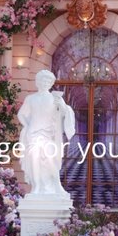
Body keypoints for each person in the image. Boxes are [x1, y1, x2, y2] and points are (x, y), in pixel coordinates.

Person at [18, 69, 77, 197]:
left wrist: (62, 106)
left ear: (51, 84)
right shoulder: (31, 99)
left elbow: (65, 113)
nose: (45, 83)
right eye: (43, 80)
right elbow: (21, 114)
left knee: (51, 161)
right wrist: (27, 126)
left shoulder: (55, 98)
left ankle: (57, 185)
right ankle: (37, 187)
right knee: (35, 160)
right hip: (33, 134)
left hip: (49, 135)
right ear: (37, 82)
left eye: (48, 81)